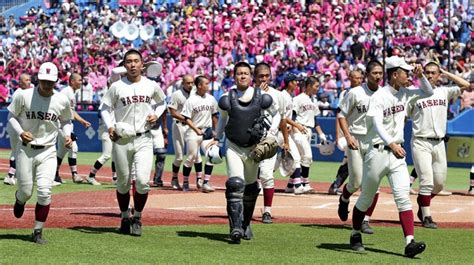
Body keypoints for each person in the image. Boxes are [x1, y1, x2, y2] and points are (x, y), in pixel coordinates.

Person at [349, 56, 432, 258]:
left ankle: (409, 243)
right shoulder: (379, 96)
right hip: (378, 152)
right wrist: (391, 143)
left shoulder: (404, 93)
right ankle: (355, 233)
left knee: (403, 198)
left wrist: (421, 77)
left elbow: (428, 92)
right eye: (406, 71)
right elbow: (376, 123)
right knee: (366, 199)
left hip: (397, 155)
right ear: (395, 74)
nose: (409, 74)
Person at [99, 49, 166, 236]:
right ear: (124, 65)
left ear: (142, 65)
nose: (133, 64)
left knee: (143, 182)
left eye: (136, 61)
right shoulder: (117, 87)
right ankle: (123, 217)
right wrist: (110, 126)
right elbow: (104, 108)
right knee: (122, 183)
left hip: (144, 137)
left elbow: (162, 102)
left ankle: (137, 217)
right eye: (129, 61)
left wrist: (156, 114)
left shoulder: (151, 85)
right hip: (122, 140)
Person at [211, 61, 277, 243]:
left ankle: (246, 223)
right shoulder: (226, 98)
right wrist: (217, 139)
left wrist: (270, 135)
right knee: (235, 184)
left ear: (251, 76)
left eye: (246, 73)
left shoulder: (262, 96)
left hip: (253, 148)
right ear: (234, 76)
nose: (242, 76)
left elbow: (277, 114)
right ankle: (235, 228)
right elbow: (222, 120)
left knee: (251, 188)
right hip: (233, 146)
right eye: (239, 73)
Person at [8, 62, 74, 244]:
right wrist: (21, 132)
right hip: (25, 150)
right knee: (26, 191)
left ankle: (37, 231)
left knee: (45, 191)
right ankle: (20, 199)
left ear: (56, 81)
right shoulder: (24, 95)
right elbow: (11, 116)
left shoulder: (61, 100)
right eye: (44, 81)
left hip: (48, 151)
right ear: (38, 79)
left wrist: (67, 134)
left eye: (50, 82)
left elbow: (67, 120)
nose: (47, 85)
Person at [407, 61, 469, 229]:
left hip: (439, 143)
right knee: (426, 180)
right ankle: (426, 216)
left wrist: (445, 72)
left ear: (438, 75)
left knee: (439, 183)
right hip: (421, 141)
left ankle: (422, 202)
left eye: (433, 72)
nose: (430, 75)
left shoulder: (444, 91)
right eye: (427, 72)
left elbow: (467, 86)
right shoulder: (414, 94)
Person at [336, 61, 383, 235]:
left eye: (380, 73)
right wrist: (347, 136)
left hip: (374, 141)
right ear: (367, 75)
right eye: (374, 73)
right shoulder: (355, 93)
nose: (378, 76)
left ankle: (365, 220)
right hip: (355, 138)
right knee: (355, 181)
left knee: (374, 183)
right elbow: (341, 115)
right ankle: (344, 198)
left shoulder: (384, 94)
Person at [254, 62, 288, 224]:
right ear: (255, 77)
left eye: (267, 75)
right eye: (261, 76)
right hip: (250, 140)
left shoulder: (278, 95)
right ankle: (244, 209)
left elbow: (281, 118)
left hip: (269, 140)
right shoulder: (248, 93)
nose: (264, 79)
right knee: (248, 177)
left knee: (267, 175)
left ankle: (267, 211)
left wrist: (281, 138)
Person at [328, 69, 364, 195]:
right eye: (356, 78)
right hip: (350, 133)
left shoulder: (365, 92)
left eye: (360, 78)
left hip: (362, 133)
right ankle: (339, 185)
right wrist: (339, 136)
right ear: (350, 78)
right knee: (353, 160)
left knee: (349, 161)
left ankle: (335, 185)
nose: (359, 80)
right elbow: (340, 114)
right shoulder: (346, 93)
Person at [180, 75, 218, 192]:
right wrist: (196, 129)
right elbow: (186, 118)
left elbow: (214, 115)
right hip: (193, 131)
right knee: (191, 157)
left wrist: (215, 131)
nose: (208, 85)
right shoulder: (191, 100)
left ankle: (205, 183)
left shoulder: (211, 99)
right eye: (206, 83)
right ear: (199, 86)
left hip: (207, 131)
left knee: (212, 155)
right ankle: (185, 182)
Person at [291, 76, 328, 193]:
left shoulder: (314, 100)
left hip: (308, 130)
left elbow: (315, 120)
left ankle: (291, 184)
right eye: (316, 86)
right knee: (307, 156)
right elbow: (292, 116)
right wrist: (295, 129)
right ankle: (304, 184)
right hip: (299, 129)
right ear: (308, 86)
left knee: (300, 158)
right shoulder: (298, 99)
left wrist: (321, 134)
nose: (318, 88)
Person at [54, 73, 92, 185]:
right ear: (72, 81)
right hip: (63, 125)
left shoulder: (70, 92)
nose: (81, 82)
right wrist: (81, 121)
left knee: (61, 152)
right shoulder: (67, 93)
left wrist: (82, 121)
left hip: (65, 124)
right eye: (79, 80)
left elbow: (71, 111)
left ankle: (55, 175)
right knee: (73, 147)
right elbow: (67, 112)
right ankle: (75, 174)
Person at [168, 75, 204, 190]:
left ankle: (199, 179)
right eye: (187, 83)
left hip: (191, 127)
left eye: (192, 83)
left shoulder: (195, 94)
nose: (190, 85)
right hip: (179, 125)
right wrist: (186, 120)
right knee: (179, 156)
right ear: (182, 83)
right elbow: (172, 112)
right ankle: (174, 179)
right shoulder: (177, 94)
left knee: (195, 154)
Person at [4, 73, 32, 186]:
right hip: (16, 127)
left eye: (29, 79)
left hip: (18, 126)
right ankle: (10, 175)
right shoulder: (18, 93)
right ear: (20, 82)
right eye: (26, 80)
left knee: (16, 151)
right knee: (18, 151)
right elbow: (13, 115)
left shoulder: (26, 92)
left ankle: (12, 174)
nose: (28, 81)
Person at [281, 74, 305, 195]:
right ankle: (296, 185)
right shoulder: (283, 96)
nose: (297, 83)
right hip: (280, 132)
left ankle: (293, 185)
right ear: (290, 82)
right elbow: (283, 117)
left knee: (295, 157)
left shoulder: (290, 96)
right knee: (272, 162)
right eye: (295, 81)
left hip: (287, 131)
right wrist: (297, 125)